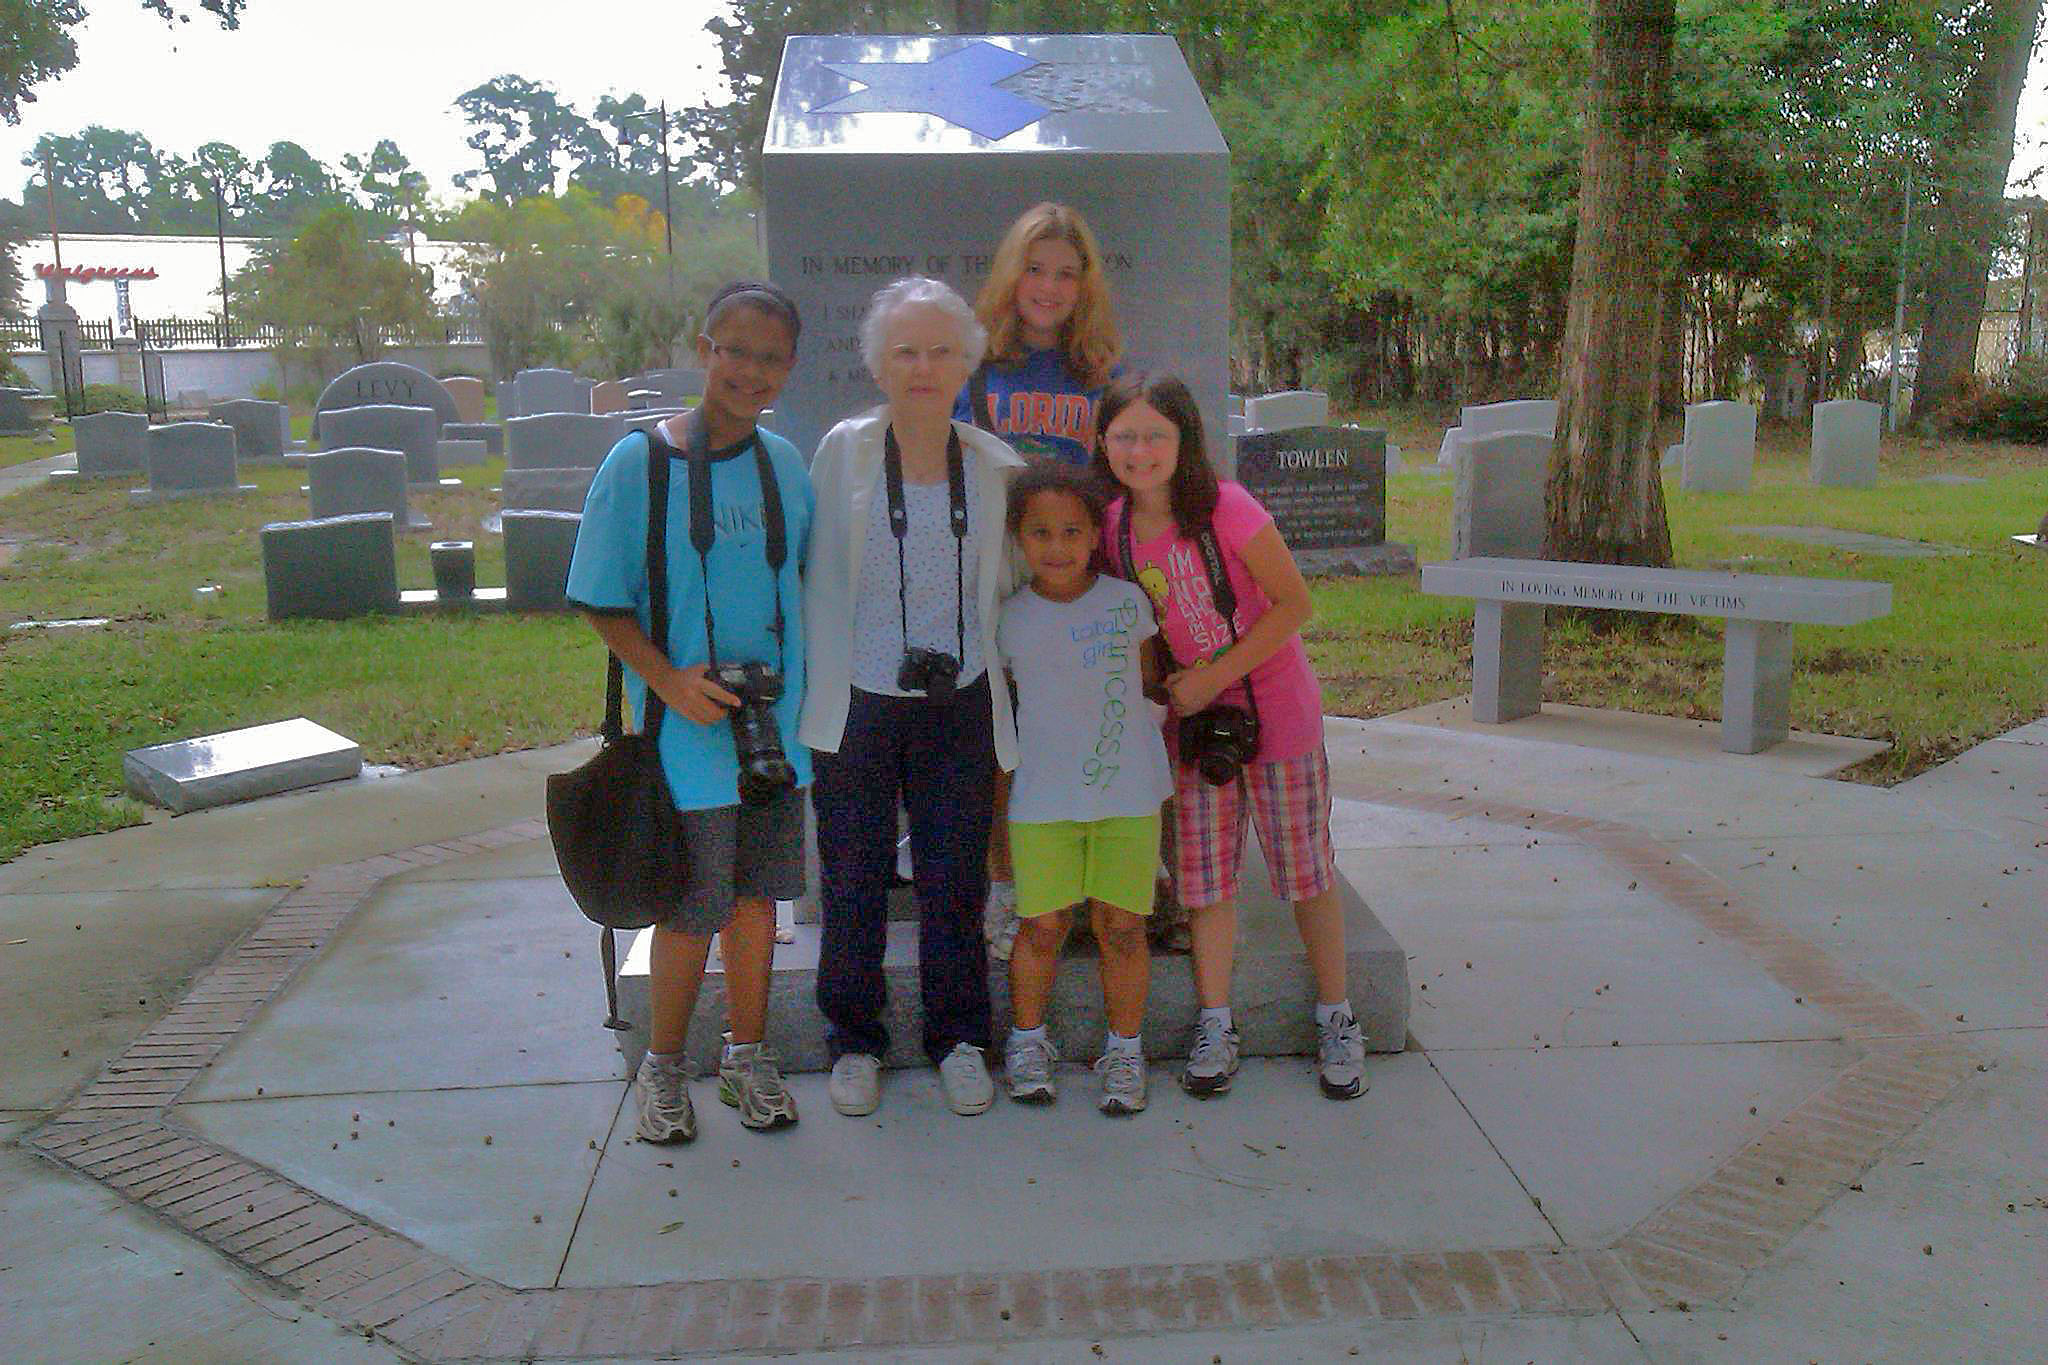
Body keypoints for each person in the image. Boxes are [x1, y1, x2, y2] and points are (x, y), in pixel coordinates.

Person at [565, 280, 815, 1143]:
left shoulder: (786, 463)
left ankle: (750, 1055)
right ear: (703, 346)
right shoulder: (640, 463)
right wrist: (668, 680)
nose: (749, 370)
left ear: (790, 368)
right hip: (688, 736)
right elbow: (598, 598)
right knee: (689, 907)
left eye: (770, 357)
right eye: (733, 349)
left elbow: (808, 580)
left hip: (772, 736)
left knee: (756, 907)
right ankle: (664, 1068)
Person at [1091, 373, 1368, 1101]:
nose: (1140, 449)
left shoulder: (1227, 508)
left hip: (1273, 713)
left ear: (1185, 440)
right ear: (1104, 442)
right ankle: (1216, 1021)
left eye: (1156, 434)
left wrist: (1215, 675)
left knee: (1304, 868)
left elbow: (1292, 603)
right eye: (1125, 435)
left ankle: (1337, 1015)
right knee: (1204, 879)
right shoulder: (1115, 528)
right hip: (1196, 728)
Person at [799, 276, 1026, 1118]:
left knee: (952, 878)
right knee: (852, 875)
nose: (924, 366)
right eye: (906, 351)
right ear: (877, 363)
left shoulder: (997, 466)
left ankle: (959, 1037)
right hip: (857, 696)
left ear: (966, 361)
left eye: (941, 350)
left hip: (959, 698)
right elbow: (812, 567)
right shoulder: (845, 451)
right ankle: (854, 1041)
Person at [954, 202, 1126, 954]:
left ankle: (1085, 880)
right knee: (1005, 737)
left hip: (1076, 563)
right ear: (1010, 274)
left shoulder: (1098, 371)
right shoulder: (978, 364)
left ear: (1084, 284)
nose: (1049, 287)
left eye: (1066, 272)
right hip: (999, 564)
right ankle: (1003, 885)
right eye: (1035, 269)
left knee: (1076, 725)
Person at [996, 463, 1173, 1115]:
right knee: (1042, 926)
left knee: (1122, 926)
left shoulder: (1126, 605)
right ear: (1019, 537)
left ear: (1096, 533)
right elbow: (1003, 718)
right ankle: (1027, 1040)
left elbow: (1150, 688)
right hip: (1043, 802)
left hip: (1126, 797)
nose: (1057, 545)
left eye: (1072, 530)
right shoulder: (1009, 619)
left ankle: (1125, 1050)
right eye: (1040, 531)